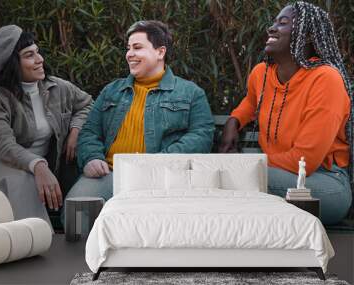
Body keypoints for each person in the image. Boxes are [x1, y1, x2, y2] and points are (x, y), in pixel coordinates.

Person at [219, 1, 353, 225]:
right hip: (276, 174)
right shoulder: (262, 73)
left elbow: (305, 160)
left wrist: (246, 164)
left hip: (322, 183)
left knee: (233, 176)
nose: (272, 28)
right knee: (233, 179)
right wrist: (234, 121)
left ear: (307, 36)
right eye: (273, 22)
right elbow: (251, 102)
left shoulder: (325, 79)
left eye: (283, 23)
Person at [66, 20, 214, 211]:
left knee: (159, 217)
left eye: (137, 47)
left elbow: (202, 135)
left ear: (160, 52)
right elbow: (89, 131)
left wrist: (159, 162)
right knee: (77, 215)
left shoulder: (190, 93)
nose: (129, 54)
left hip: (162, 176)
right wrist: (92, 158)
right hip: (110, 173)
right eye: (128, 48)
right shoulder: (112, 91)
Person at [0, 25, 94, 229]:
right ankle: (37, 239)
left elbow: (88, 104)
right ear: (12, 64)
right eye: (29, 55)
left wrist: (76, 129)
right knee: (24, 180)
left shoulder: (56, 87)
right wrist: (37, 165)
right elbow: (2, 145)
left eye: (38, 52)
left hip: (43, 168)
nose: (40, 59)